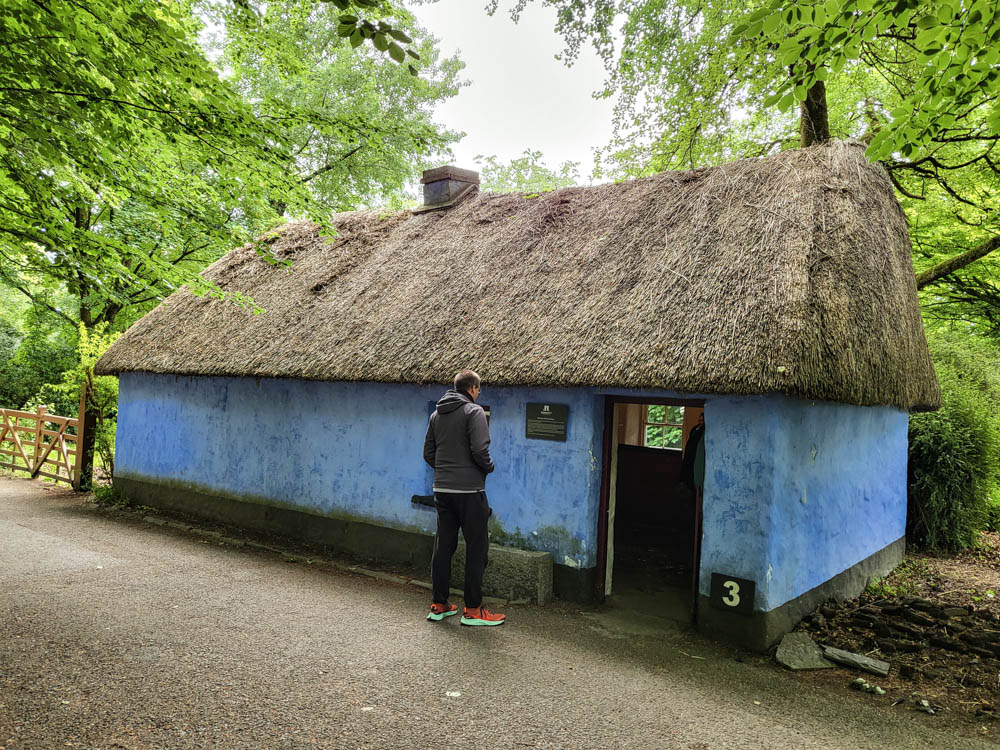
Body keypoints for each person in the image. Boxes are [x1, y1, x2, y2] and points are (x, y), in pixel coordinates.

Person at [423, 370, 505, 626]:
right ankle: (473, 610)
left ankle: (439, 604)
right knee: (477, 549)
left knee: (443, 546)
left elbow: (428, 453)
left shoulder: (436, 415)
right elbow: (480, 449)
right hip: (470, 492)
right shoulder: (474, 411)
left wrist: (447, 469)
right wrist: (487, 468)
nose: (479, 394)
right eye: (478, 390)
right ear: (472, 388)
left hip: (442, 491)